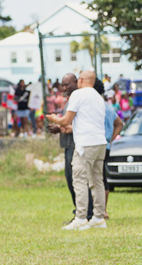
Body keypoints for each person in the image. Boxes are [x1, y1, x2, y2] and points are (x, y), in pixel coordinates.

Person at [47, 70, 107, 230]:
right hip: (100, 142)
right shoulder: (98, 97)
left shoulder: (78, 95)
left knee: (79, 179)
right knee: (97, 180)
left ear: (80, 80)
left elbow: (67, 119)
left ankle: (81, 217)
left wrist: (54, 119)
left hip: (85, 143)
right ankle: (99, 217)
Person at [101, 82, 124, 219]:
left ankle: (101, 210)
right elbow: (119, 123)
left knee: (98, 177)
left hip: (96, 145)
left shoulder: (98, 108)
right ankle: (103, 209)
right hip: (106, 146)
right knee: (103, 176)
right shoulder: (109, 108)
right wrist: (111, 139)